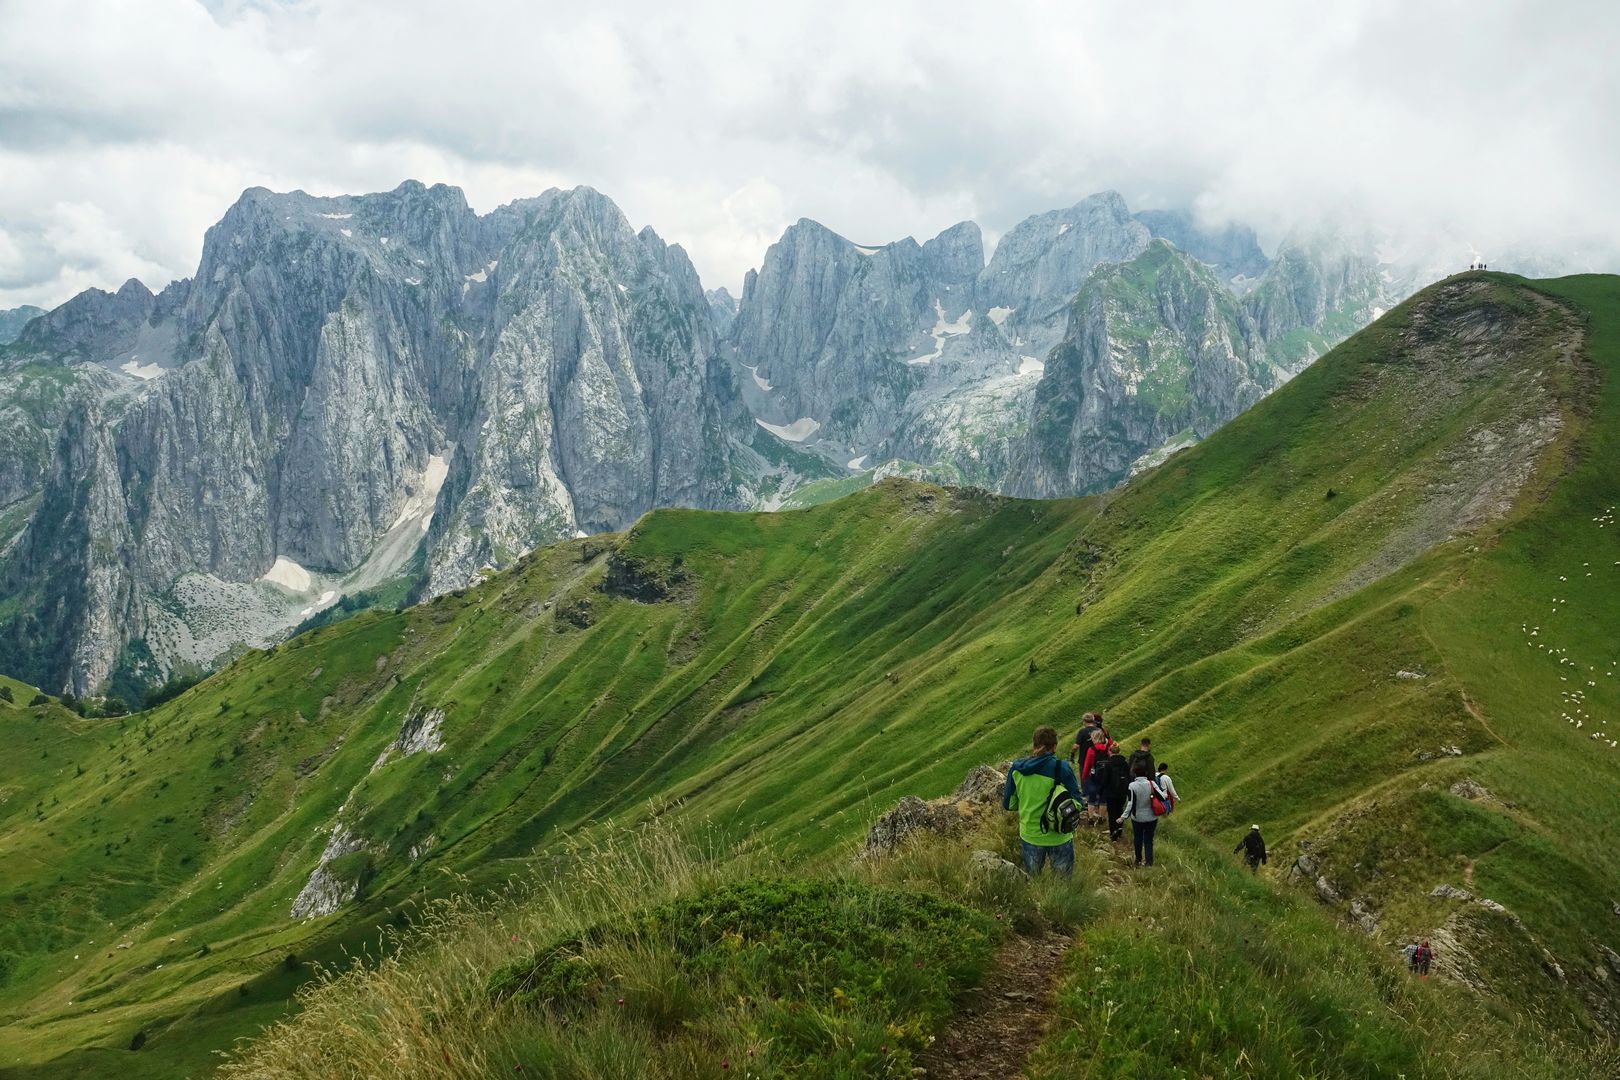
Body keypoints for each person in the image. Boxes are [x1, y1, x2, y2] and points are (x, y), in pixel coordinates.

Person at [1003, 725, 1082, 876]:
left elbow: (1008, 804)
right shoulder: (1062, 768)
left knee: (1033, 883)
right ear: (1054, 746)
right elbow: (1078, 803)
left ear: (1034, 745)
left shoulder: (1017, 769)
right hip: (1060, 836)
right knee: (1062, 885)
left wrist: (1028, 803)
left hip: (1030, 835)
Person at [1118, 763, 1166, 866]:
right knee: (1149, 840)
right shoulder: (1152, 783)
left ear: (1135, 774)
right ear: (1146, 774)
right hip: (1152, 817)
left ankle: (1138, 859)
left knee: (1138, 838)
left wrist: (1123, 817)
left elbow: (1130, 803)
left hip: (1137, 817)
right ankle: (1149, 862)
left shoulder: (1132, 786)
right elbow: (1162, 797)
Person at [1100, 743, 1132, 843]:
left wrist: (1101, 790)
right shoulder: (1125, 764)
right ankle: (1119, 831)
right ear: (1120, 752)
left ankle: (1113, 833)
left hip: (1110, 792)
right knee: (1120, 811)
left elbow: (1105, 780)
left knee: (1112, 812)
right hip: (1122, 792)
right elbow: (1129, 778)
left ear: (1110, 752)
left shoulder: (1108, 764)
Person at [1080, 728, 1112, 824]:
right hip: (1105, 777)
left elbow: (1087, 764)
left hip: (1093, 777)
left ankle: (1090, 818)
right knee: (1103, 799)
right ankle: (1102, 818)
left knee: (1092, 798)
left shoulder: (1091, 750)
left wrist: (1084, 776)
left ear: (1095, 738)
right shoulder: (1107, 749)